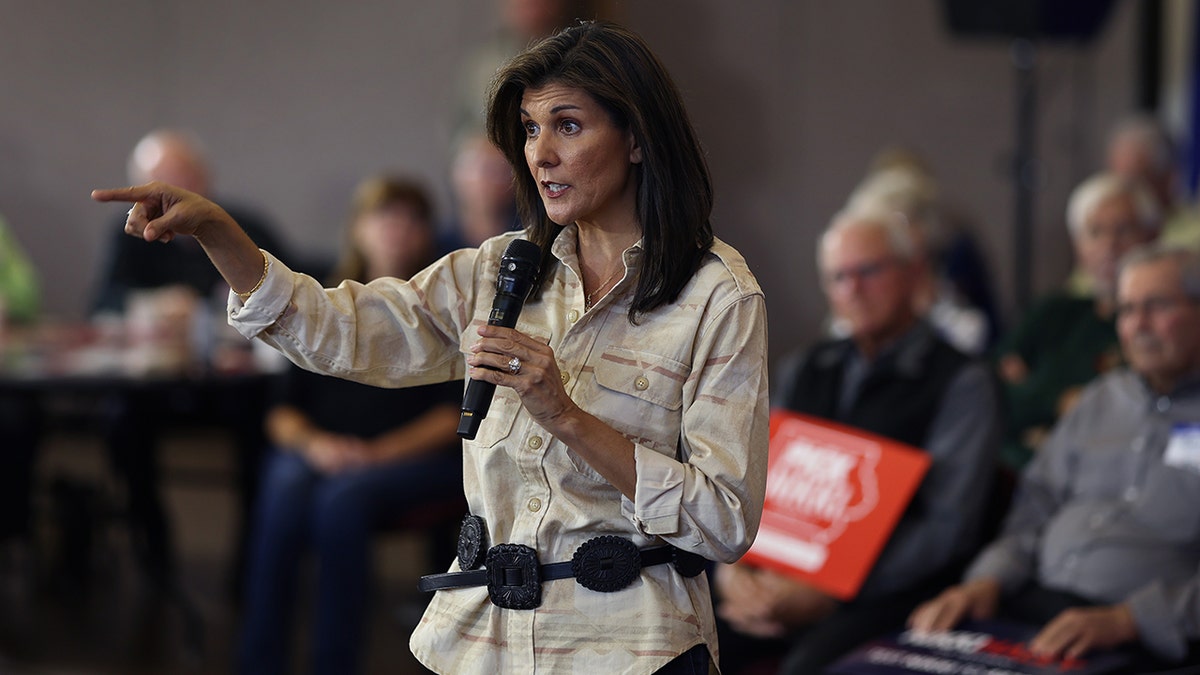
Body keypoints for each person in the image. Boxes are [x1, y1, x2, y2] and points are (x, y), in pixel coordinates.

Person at [94, 21, 769, 675]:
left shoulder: (717, 297)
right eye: (531, 129)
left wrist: (566, 416)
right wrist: (220, 235)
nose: (541, 153)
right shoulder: (501, 269)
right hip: (484, 641)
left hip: (633, 648)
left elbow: (723, 520)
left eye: (568, 124)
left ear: (637, 139)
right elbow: (340, 328)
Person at [713, 209, 1001, 674]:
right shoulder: (805, 367)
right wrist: (733, 571)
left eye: (868, 271)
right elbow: (754, 481)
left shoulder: (963, 382)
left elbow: (946, 529)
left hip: (890, 588)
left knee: (811, 667)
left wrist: (831, 590)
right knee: (683, 635)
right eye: (837, 277)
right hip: (780, 574)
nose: (852, 289)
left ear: (913, 272)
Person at [909, 243, 1200, 671]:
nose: (1138, 325)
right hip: (1033, 606)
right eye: (1126, 310)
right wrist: (984, 582)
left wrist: (1131, 620)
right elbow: (1034, 507)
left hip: (1147, 638)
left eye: (1157, 306)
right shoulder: (1100, 400)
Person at [237, 175, 463, 675]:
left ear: (428, 232)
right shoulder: (324, 302)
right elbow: (282, 412)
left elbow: (453, 417)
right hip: (330, 453)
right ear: (358, 228)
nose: (398, 229)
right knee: (285, 480)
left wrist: (374, 456)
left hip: (417, 459)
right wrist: (318, 447)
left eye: (412, 218)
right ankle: (258, 660)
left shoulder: (447, 309)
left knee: (342, 500)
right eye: (385, 216)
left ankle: (333, 663)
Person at [90, 128, 290, 590]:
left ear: (205, 179)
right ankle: (153, 553)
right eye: (157, 180)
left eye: (181, 177)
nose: (170, 191)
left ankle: (249, 566)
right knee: (119, 420)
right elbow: (103, 301)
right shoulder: (130, 235)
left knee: (263, 426)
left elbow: (296, 286)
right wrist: (154, 305)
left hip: (231, 387)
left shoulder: (242, 226)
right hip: (157, 382)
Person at [994, 171, 1160, 471]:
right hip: (1016, 473)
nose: (1109, 245)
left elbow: (1123, 417)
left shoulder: (1156, 325)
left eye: (1123, 230)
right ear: (1077, 245)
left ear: (1152, 235)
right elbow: (992, 390)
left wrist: (1030, 386)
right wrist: (1058, 399)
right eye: (1095, 232)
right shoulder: (1054, 312)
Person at [437, 131, 520, 253]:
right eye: (474, 167)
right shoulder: (435, 246)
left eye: (498, 169)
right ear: (455, 173)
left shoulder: (532, 236)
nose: (484, 180)